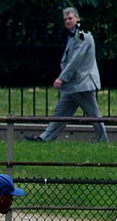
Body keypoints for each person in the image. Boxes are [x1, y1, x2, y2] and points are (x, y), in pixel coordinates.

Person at [25, 7, 109, 143]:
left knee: (94, 114)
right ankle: (44, 138)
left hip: (82, 83)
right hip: (73, 85)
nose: (68, 21)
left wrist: (61, 78)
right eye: (65, 19)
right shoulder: (74, 36)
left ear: (77, 19)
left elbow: (75, 60)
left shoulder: (82, 35)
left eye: (70, 18)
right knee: (61, 112)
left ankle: (103, 140)